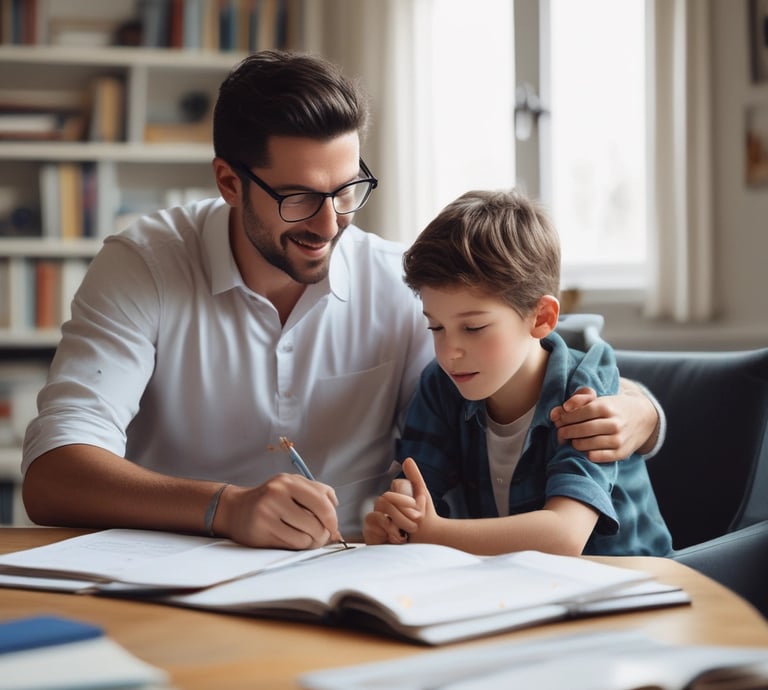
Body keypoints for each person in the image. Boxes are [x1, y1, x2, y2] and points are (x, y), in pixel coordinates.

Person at [21, 50, 663, 551]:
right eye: (298, 197)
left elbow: (530, 351)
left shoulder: (397, 282)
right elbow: (52, 477)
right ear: (229, 183)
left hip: (356, 575)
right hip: (171, 571)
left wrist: (641, 412)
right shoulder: (145, 265)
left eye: (347, 189)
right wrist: (226, 507)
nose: (330, 225)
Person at [363, 189, 673, 557]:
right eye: (436, 328)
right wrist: (396, 521)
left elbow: (564, 535)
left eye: (474, 327)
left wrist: (433, 532)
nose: (449, 352)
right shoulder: (440, 385)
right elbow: (414, 501)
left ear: (541, 318)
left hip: (633, 587)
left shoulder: (584, 385)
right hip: (523, 590)